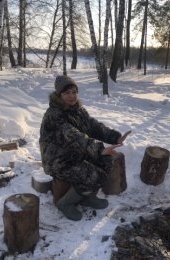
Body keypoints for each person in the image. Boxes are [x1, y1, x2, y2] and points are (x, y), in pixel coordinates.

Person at [39, 75, 131, 221]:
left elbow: (94, 126)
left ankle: (85, 196)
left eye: (74, 92)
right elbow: (73, 136)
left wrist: (115, 137)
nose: (71, 96)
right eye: (67, 93)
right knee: (93, 174)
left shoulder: (78, 110)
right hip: (57, 159)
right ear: (59, 95)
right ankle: (65, 203)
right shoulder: (54, 115)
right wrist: (99, 149)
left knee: (106, 161)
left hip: (75, 151)